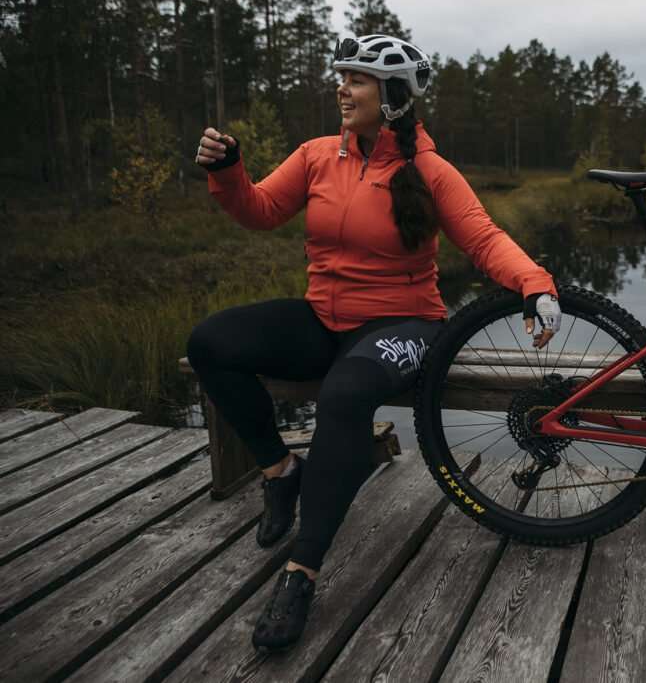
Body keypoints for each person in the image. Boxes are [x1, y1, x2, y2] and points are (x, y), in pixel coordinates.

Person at [185, 32, 561, 652]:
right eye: (343, 76)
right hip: (324, 318)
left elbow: (485, 238)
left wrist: (534, 285)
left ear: (391, 96)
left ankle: (301, 572)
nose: (342, 87)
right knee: (210, 344)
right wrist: (228, 173)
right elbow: (258, 210)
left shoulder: (430, 171)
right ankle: (280, 471)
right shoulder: (315, 156)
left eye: (356, 79)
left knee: (345, 393)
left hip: (404, 325)